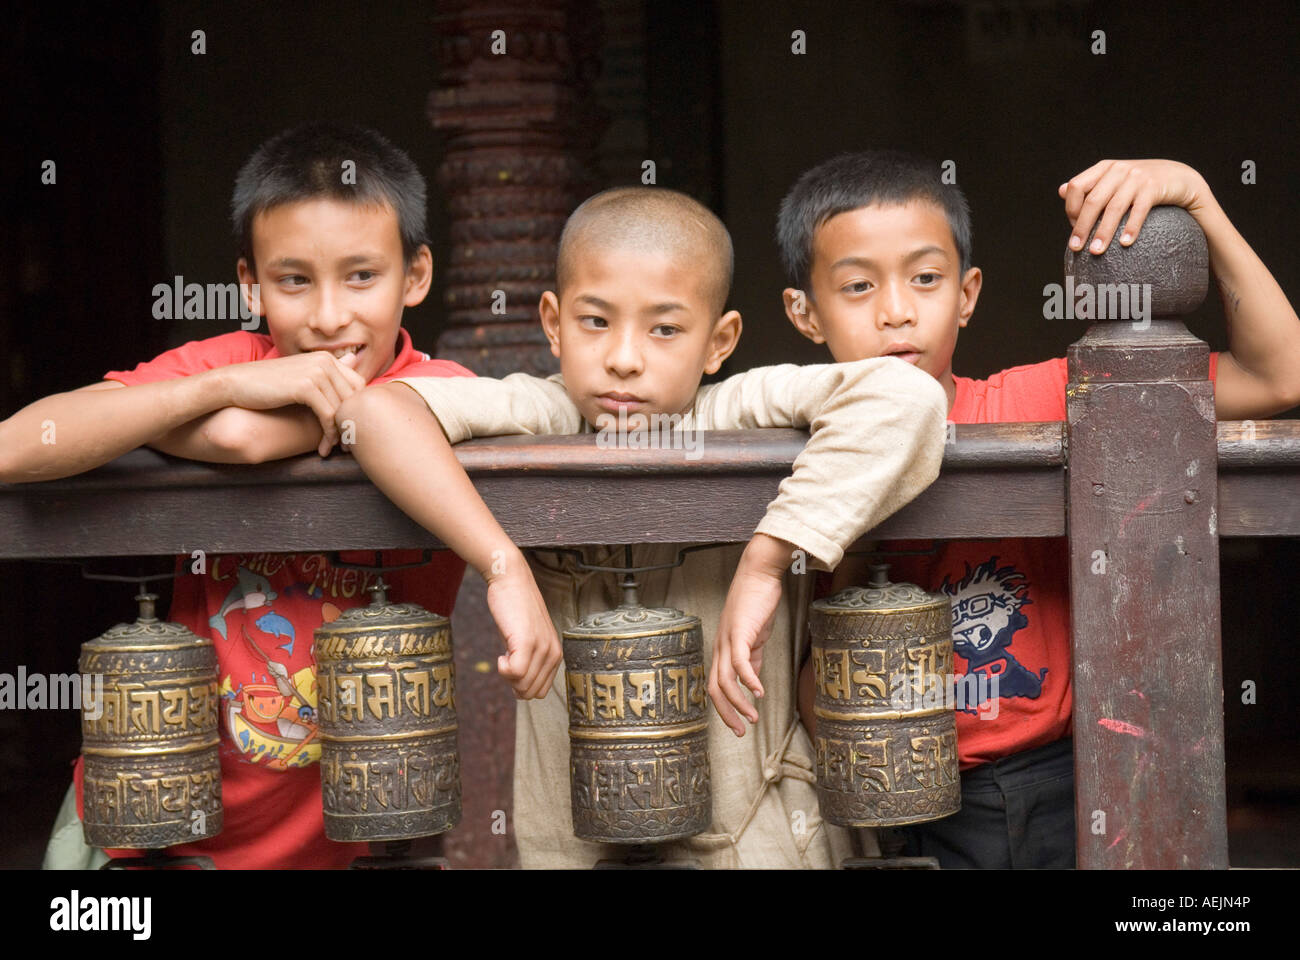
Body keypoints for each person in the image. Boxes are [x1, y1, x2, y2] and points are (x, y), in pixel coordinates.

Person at [339, 185, 949, 867]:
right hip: (579, 841)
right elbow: (373, 414)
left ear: (719, 342)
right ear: (553, 323)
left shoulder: (735, 412)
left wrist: (767, 561)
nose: (624, 358)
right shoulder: (541, 414)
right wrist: (501, 565)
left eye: (664, 329)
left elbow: (907, 397)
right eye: (595, 322)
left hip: (765, 838)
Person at [780, 151, 1300, 868]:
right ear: (803, 312)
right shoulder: (796, 448)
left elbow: (1281, 375)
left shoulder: (1030, 402)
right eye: (859, 285)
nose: (896, 309)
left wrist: (1202, 202)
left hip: (1067, 777)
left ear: (968, 293)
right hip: (901, 794)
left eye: (925, 279)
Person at [0, 122, 475, 869]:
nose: (327, 316)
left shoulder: (434, 393)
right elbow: (18, 447)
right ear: (249, 284)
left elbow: (241, 443)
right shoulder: (229, 364)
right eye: (293, 280)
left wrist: (179, 417)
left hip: (328, 835)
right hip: (141, 809)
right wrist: (223, 385)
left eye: (361, 276)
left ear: (415, 276)